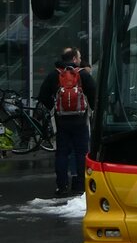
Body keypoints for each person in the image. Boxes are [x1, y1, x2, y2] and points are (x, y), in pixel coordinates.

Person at [36, 47, 97, 197]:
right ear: (74, 59)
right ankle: (80, 185)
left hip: (61, 120)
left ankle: (62, 186)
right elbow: (94, 94)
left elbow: (43, 96)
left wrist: (54, 108)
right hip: (80, 120)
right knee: (82, 152)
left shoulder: (54, 75)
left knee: (62, 153)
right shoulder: (82, 74)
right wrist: (92, 109)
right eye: (79, 57)